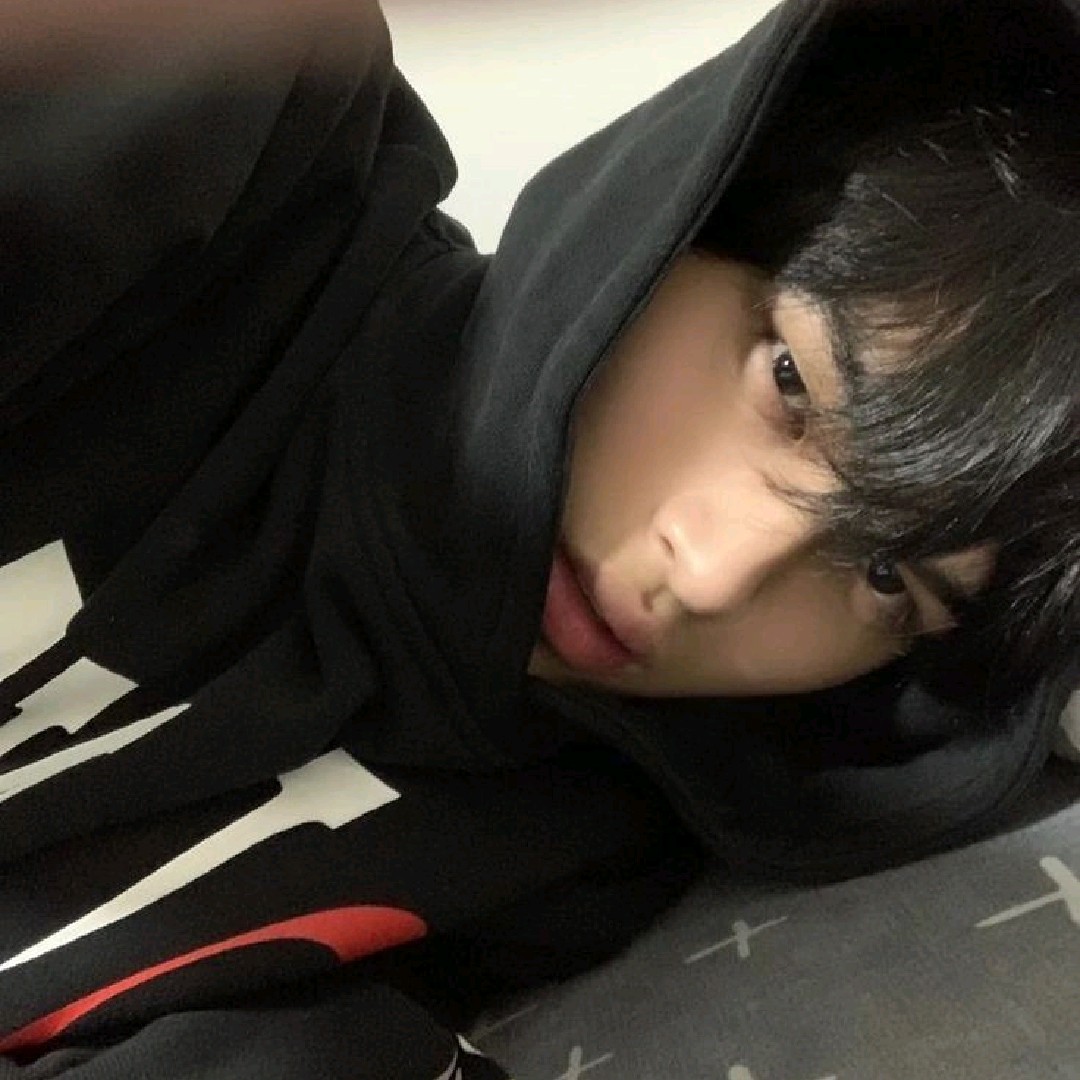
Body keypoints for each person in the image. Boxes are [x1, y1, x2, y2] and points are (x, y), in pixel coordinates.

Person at [0, 0, 1077, 1075]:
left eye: (887, 578)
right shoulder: (235, 107)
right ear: (702, 196)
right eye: (789, 381)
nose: (713, 577)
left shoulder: (591, 859)